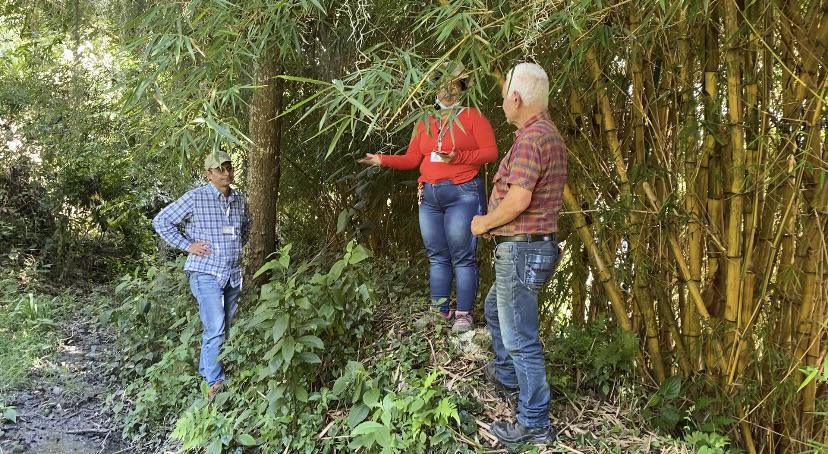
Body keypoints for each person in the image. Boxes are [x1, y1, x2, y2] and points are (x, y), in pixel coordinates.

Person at [359, 62, 497, 333]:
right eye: (441, 83)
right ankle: (440, 312)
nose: (446, 89)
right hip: (429, 195)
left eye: (453, 84)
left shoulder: (473, 117)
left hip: (462, 192)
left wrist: (459, 157)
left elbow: (490, 152)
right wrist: (381, 160)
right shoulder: (425, 119)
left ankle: (463, 314)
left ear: (461, 89)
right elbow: (413, 158)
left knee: (462, 255)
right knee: (437, 255)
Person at [470, 62, 567, 446]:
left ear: (515, 97)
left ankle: (533, 422)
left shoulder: (531, 139)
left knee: (520, 339)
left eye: (504, 93)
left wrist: (484, 223)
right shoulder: (546, 134)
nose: (501, 101)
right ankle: (508, 377)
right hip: (533, 249)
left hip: (521, 251)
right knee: (496, 310)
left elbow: (519, 198)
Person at [152, 150, 251, 397]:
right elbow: (161, 221)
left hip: (232, 272)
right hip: (205, 271)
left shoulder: (239, 199)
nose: (226, 172)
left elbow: (245, 227)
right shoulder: (195, 197)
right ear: (208, 174)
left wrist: (235, 247)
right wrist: (188, 245)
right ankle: (214, 383)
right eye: (220, 169)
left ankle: (206, 372)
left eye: (228, 167)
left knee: (224, 326)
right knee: (215, 327)